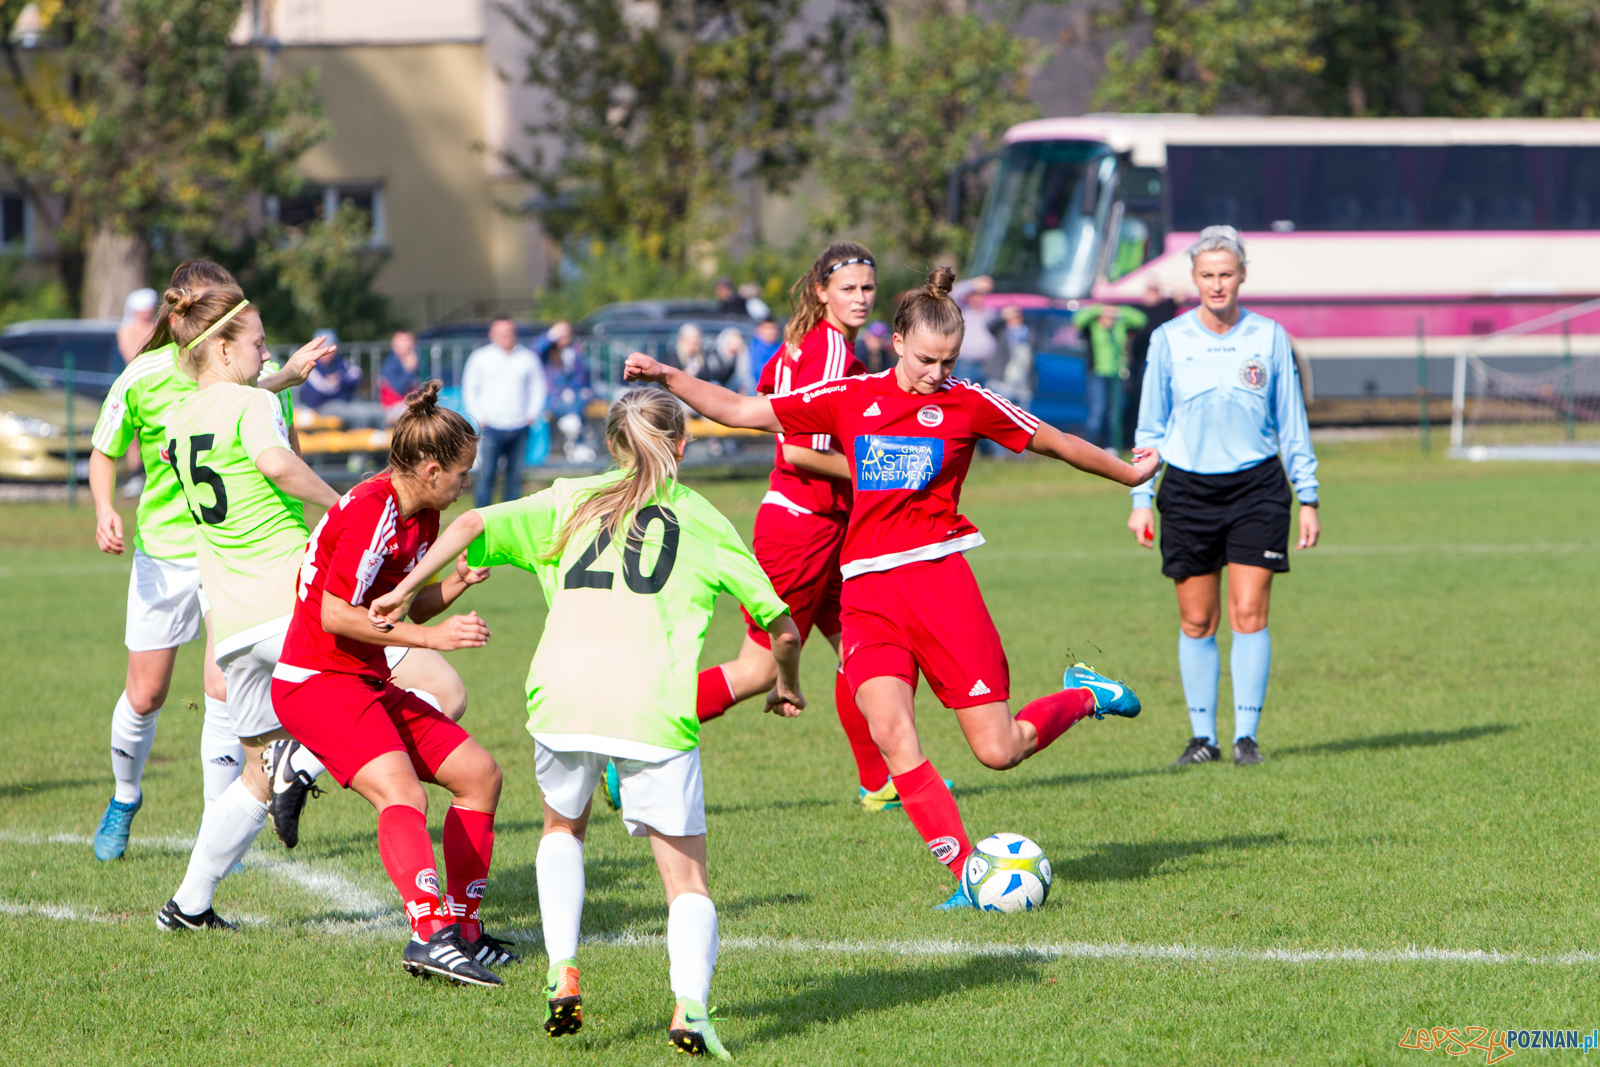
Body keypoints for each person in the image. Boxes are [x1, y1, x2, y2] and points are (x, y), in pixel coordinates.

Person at [624, 266, 1161, 907]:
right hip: (869, 595)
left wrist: (1127, 477)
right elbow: (741, 410)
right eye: (929, 359)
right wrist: (668, 378)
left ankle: (1084, 695)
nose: (938, 372)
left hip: (941, 587)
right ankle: (967, 875)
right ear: (899, 339)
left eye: (950, 361)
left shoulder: (968, 402)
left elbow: (1057, 442)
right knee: (890, 732)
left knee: (998, 750)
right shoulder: (849, 395)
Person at [370, 388, 804, 1056]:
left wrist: (403, 588)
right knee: (684, 879)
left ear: (610, 446)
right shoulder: (703, 517)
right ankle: (690, 1007)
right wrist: (786, 683)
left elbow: (467, 526)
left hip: (560, 698)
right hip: (652, 708)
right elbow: (781, 627)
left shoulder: (568, 499)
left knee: (562, 826)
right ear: (681, 448)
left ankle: (562, 970)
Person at [270, 383, 512, 983]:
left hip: (364, 679)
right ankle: (428, 935)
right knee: (403, 794)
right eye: (460, 473)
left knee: (479, 776)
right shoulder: (370, 510)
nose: (465, 485)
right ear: (430, 469)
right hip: (316, 682)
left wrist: (454, 585)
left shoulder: (421, 514)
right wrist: (434, 640)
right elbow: (336, 615)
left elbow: (405, 606)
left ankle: (464, 931)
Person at [86, 259, 320, 862]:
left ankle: (218, 829)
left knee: (221, 687)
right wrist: (105, 507)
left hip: (227, 550)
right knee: (146, 693)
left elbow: (270, 440)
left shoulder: (253, 376)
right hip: (163, 552)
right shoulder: (144, 376)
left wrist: (282, 380)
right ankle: (125, 795)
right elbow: (103, 450)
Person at [153, 284, 344, 930]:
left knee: (256, 772)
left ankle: (188, 905)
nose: (267, 357)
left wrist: (278, 378)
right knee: (424, 682)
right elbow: (277, 464)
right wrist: (341, 507)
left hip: (233, 621)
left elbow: (233, 407)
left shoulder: (181, 417)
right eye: (259, 345)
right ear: (224, 345)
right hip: (288, 597)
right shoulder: (248, 406)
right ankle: (309, 757)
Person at [691, 242, 897, 811]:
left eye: (867, 288)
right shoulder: (829, 350)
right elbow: (804, 451)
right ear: (820, 292)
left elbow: (769, 398)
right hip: (801, 529)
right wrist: (878, 473)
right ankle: (629, 745)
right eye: (849, 289)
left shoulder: (802, 346)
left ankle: (880, 783)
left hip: (820, 528)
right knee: (758, 670)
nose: (860, 298)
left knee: (863, 649)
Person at [1129, 226, 1320, 768]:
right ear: (1194, 279)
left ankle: (1246, 738)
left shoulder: (1269, 336)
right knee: (1197, 620)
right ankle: (1201, 738)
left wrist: (1308, 496)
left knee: (1249, 611)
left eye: (1226, 274)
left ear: (1242, 277)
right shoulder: (1169, 339)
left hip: (1257, 487)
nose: (1217, 285)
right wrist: (1141, 498)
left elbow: (1292, 423)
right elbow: (1150, 427)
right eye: (1207, 275)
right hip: (1187, 489)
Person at [463, 316, 545, 507]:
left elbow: (538, 387)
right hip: (491, 425)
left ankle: (509, 518)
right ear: (492, 334)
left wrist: (531, 415)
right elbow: (470, 389)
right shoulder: (480, 358)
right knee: (487, 475)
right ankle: (482, 518)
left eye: (509, 332)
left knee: (514, 477)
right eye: (501, 332)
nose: (505, 336)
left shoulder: (528, 358)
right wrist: (479, 418)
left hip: (519, 425)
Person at [1074, 302, 1148, 451]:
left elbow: (1141, 319)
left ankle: (1111, 446)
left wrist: (1118, 310)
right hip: (1098, 373)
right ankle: (1088, 447)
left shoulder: (1119, 326)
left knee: (1116, 413)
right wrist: (1099, 309)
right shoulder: (1093, 326)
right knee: (1098, 411)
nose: (1108, 319)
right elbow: (1078, 318)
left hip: (1118, 373)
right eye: (1105, 316)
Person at [1124, 282, 1177, 450]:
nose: (1153, 294)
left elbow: (1181, 291)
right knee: (1139, 401)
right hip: (1140, 364)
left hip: (1163, 363)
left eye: (1156, 290)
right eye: (1150, 290)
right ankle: (1131, 441)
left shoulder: (1165, 307)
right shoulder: (1136, 310)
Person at [299, 329, 383, 427]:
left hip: (347, 402)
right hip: (323, 407)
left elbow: (357, 376)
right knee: (358, 416)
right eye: (325, 348)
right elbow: (326, 389)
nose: (329, 352)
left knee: (377, 412)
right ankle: (359, 441)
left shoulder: (341, 361)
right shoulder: (311, 366)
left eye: (331, 348)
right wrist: (343, 380)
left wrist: (338, 378)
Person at [543, 326, 595, 462]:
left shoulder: (575, 353)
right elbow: (536, 349)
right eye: (560, 335)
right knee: (571, 412)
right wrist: (551, 335)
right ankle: (577, 443)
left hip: (574, 398)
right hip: (554, 399)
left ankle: (576, 441)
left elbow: (581, 378)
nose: (564, 338)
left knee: (578, 399)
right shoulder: (548, 354)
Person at [953, 274, 997, 383]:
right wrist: (974, 284)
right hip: (965, 364)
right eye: (976, 294)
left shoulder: (989, 313)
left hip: (985, 365)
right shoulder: (963, 310)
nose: (979, 298)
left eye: (982, 295)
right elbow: (952, 293)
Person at [380, 330, 423, 422]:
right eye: (402, 341)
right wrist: (409, 371)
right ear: (394, 344)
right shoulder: (391, 363)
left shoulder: (416, 361)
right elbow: (399, 389)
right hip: (392, 408)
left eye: (408, 340)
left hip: (408, 405)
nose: (406, 345)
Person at [116, 288, 158, 364]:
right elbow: (131, 355)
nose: (147, 311)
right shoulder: (127, 330)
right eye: (144, 309)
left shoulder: (157, 327)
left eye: (149, 308)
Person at [714, 327, 753, 395]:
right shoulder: (714, 358)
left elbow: (744, 376)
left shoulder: (740, 358)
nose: (733, 347)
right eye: (731, 343)